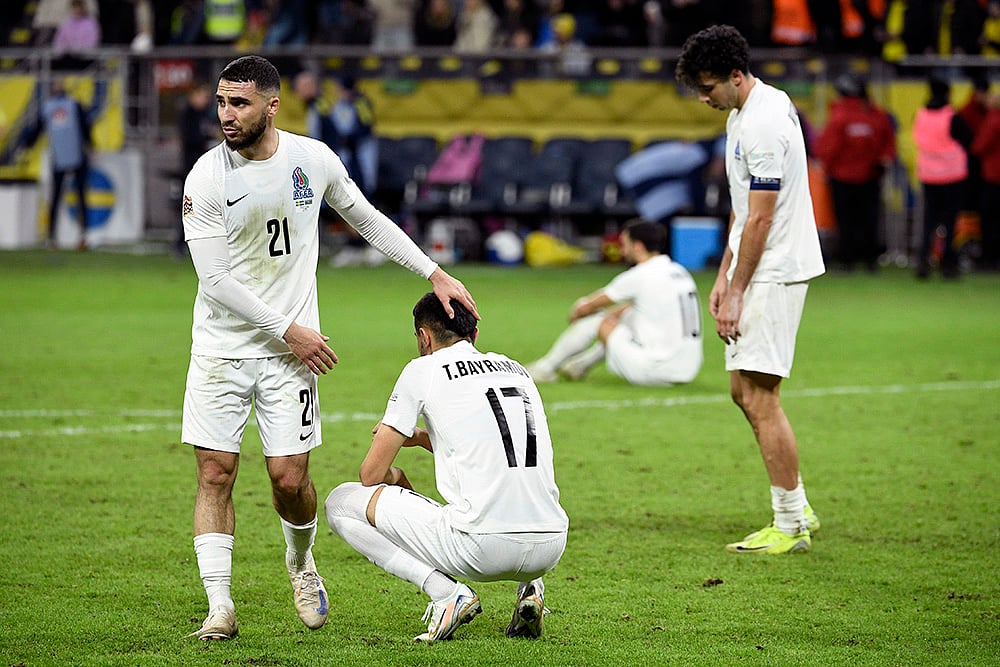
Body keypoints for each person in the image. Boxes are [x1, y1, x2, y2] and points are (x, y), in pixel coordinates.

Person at [180, 54, 478, 641]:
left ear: (272, 105)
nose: (226, 114)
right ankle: (220, 606)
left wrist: (432, 272)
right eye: (221, 102)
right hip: (222, 349)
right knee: (216, 473)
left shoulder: (311, 160)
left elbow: (366, 218)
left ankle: (301, 564)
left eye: (238, 103)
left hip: (292, 356)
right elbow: (215, 281)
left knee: (289, 479)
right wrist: (287, 327)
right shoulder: (206, 177)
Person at [324, 293, 568, 642]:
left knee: (340, 502)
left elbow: (370, 475)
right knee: (518, 481)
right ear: (475, 334)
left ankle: (446, 594)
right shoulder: (518, 370)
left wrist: (393, 478)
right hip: (551, 545)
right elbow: (494, 442)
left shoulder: (422, 370)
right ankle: (531, 591)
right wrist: (426, 438)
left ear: (424, 337)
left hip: (482, 549)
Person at [675, 25, 825, 555]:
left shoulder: (762, 125)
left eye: (709, 85)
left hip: (773, 269)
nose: (703, 96)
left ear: (736, 76)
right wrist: (722, 276)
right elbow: (743, 208)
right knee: (743, 391)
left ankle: (789, 523)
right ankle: (796, 502)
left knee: (761, 396)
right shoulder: (752, 108)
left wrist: (737, 290)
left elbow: (761, 220)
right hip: (755, 266)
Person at [526, 218, 703, 386]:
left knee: (596, 320)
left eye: (625, 244)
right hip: (687, 369)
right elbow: (635, 307)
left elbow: (587, 307)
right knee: (628, 314)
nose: (622, 250)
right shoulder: (679, 271)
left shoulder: (640, 274)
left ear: (638, 246)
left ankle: (545, 368)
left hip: (654, 369)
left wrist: (577, 311)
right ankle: (580, 366)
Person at [814, 72, 897, 272]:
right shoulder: (877, 115)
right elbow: (888, 142)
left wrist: (826, 165)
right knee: (869, 220)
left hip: (842, 178)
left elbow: (826, 148)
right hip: (870, 177)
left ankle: (847, 261)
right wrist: (882, 160)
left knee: (845, 221)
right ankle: (870, 261)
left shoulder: (840, 115)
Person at [912, 74, 973, 279]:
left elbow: (917, 138)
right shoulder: (951, 115)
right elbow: (968, 139)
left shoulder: (920, 114)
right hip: (952, 175)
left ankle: (923, 263)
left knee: (928, 221)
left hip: (928, 175)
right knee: (949, 222)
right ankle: (948, 265)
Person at [27, 79, 92, 250]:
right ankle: (56, 236)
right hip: (68, 156)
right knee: (69, 197)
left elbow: (36, 130)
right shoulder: (70, 105)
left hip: (67, 156)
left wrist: (27, 144)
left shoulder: (53, 107)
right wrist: (91, 145)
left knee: (68, 197)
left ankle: (79, 236)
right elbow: (86, 127)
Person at [175, 80, 218, 256]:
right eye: (203, 95)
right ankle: (180, 242)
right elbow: (189, 139)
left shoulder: (205, 115)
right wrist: (207, 137)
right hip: (191, 166)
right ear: (193, 95)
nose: (205, 100)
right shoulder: (188, 114)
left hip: (206, 167)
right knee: (189, 206)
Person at [971, 90, 1000, 271]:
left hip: (992, 176)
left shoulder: (992, 120)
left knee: (989, 220)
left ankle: (988, 258)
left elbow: (979, 147)